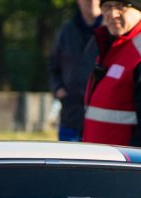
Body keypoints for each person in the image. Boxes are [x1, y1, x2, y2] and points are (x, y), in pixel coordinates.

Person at [82, 1, 141, 152]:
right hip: (106, 165)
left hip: (127, 170)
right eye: (107, 7)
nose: (112, 14)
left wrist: (135, 171)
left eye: (121, 6)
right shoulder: (116, 45)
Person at [49, 1, 101, 142]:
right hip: (70, 113)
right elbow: (54, 65)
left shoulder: (110, 29)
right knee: (68, 159)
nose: (91, 2)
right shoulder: (67, 30)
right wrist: (58, 88)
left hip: (100, 114)